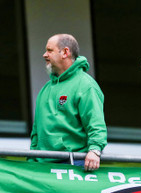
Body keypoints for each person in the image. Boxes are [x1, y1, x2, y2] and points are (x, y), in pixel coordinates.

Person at [30, 33, 107, 171]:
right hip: (42, 166)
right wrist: (31, 159)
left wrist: (95, 151)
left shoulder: (86, 85)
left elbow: (96, 124)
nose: (44, 55)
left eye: (49, 50)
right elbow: (37, 130)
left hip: (73, 164)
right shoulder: (45, 89)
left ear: (65, 52)